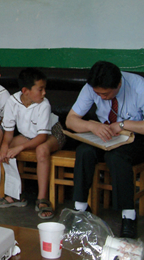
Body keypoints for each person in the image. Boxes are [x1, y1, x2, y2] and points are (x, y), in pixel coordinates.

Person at [66, 61, 144, 238]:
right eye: (97, 93)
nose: (101, 97)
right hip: (106, 134)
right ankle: (81, 210)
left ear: (118, 85)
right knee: (84, 151)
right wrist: (92, 126)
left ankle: (128, 216)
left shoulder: (139, 87)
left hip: (135, 137)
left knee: (116, 157)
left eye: (106, 94)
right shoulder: (91, 87)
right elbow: (71, 120)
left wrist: (123, 125)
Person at [0, 68, 65, 220]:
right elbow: (8, 132)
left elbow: (41, 137)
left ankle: (42, 199)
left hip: (52, 134)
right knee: (8, 150)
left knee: (41, 149)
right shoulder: (12, 101)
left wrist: (19, 147)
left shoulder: (44, 104)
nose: (44, 93)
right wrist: (4, 148)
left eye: (44, 89)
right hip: (28, 135)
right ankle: (15, 195)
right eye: (40, 89)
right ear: (25, 91)